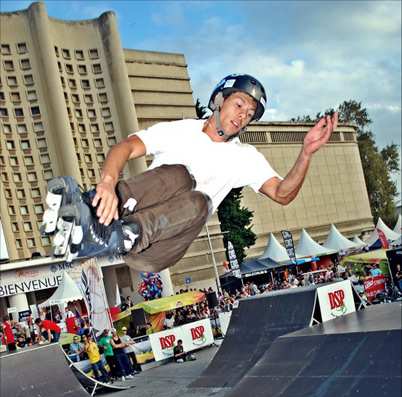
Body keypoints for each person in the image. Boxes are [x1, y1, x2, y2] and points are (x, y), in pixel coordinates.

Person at [40, 73, 337, 270]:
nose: (242, 117)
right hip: (124, 217)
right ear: (220, 101)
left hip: (158, 246)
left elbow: (283, 194)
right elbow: (126, 147)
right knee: (177, 174)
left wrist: (306, 152)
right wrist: (106, 183)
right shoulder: (181, 131)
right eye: (239, 105)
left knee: (200, 200)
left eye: (249, 115)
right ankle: (88, 222)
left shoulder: (245, 157)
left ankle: (125, 234)